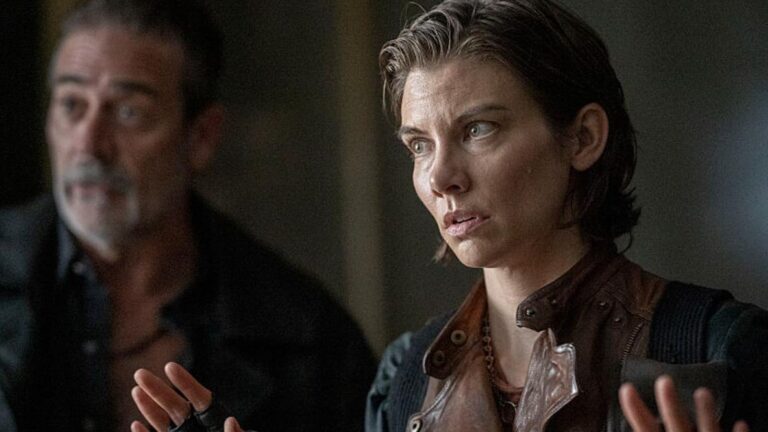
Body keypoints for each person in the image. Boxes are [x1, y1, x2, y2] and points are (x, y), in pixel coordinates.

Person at [126, 0, 768, 431]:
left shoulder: (715, 347)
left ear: (582, 138)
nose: (440, 177)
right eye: (419, 145)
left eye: (479, 129)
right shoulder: (406, 376)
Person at [0, 0, 375, 431]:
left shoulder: (310, 340)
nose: (88, 145)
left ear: (200, 138)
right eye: (71, 105)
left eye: (129, 112)